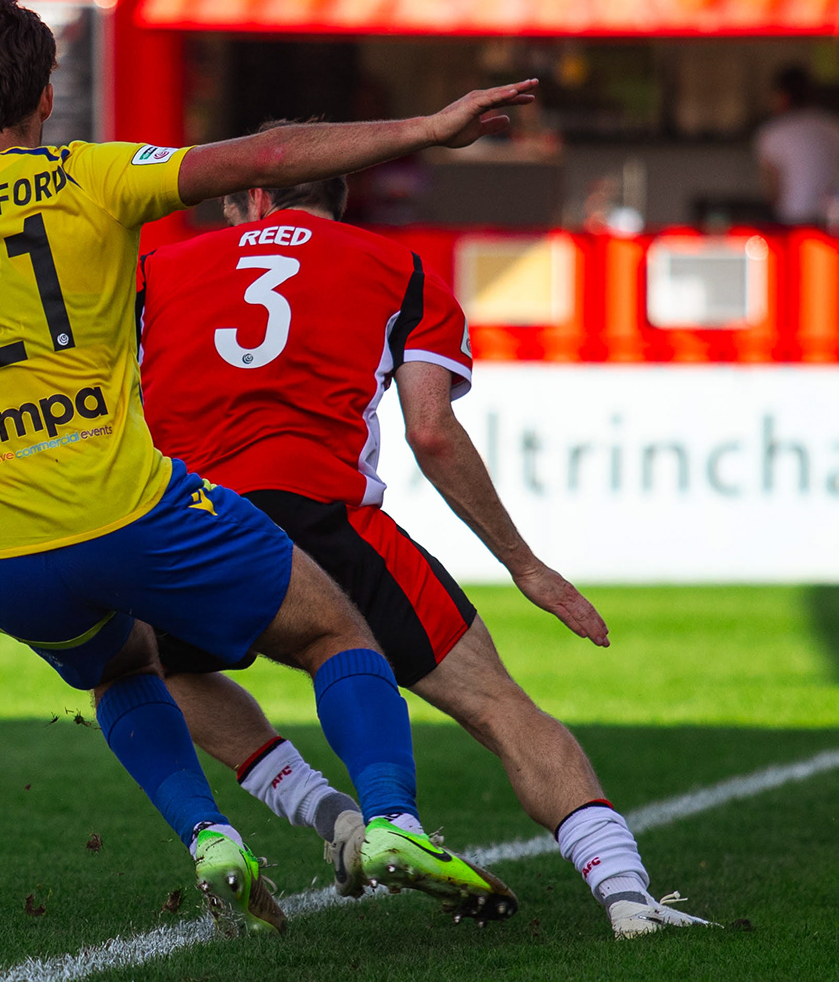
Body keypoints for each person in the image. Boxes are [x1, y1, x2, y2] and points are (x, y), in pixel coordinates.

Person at [0, 0, 536, 935]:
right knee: (334, 630)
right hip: (128, 507)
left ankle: (210, 836)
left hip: (1, 553)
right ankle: (393, 820)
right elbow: (270, 160)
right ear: (46, 95)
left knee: (123, 672)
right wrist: (430, 127)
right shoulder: (92, 176)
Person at [134, 157, 709, 938]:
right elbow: (432, 432)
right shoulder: (399, 268)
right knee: (500, 707)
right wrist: (525, 565)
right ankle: (625, 895)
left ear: (256, 196)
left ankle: (323, 811)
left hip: (197, 522)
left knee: (145, 670)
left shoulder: (160, 268)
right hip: (331, 523)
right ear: (337, 197)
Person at [754, 64, 839, 227]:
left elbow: (771, 192)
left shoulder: (772, 133)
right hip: (833, 224)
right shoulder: (833, 127)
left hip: (794, 224)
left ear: (782, 96)